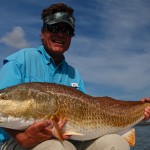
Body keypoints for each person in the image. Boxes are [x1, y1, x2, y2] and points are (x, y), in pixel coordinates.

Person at [0, 2, 150, 150]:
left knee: (115, 144)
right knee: (57, 148)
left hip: (71, 139)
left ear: (71, 37)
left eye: (66, 30)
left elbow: (92, 110)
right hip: (16, 141)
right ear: (43, 32)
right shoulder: (20, 61)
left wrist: (139, 107)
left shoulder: (74, 74)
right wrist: (22, 138)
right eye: (54, 28)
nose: (60, 34)